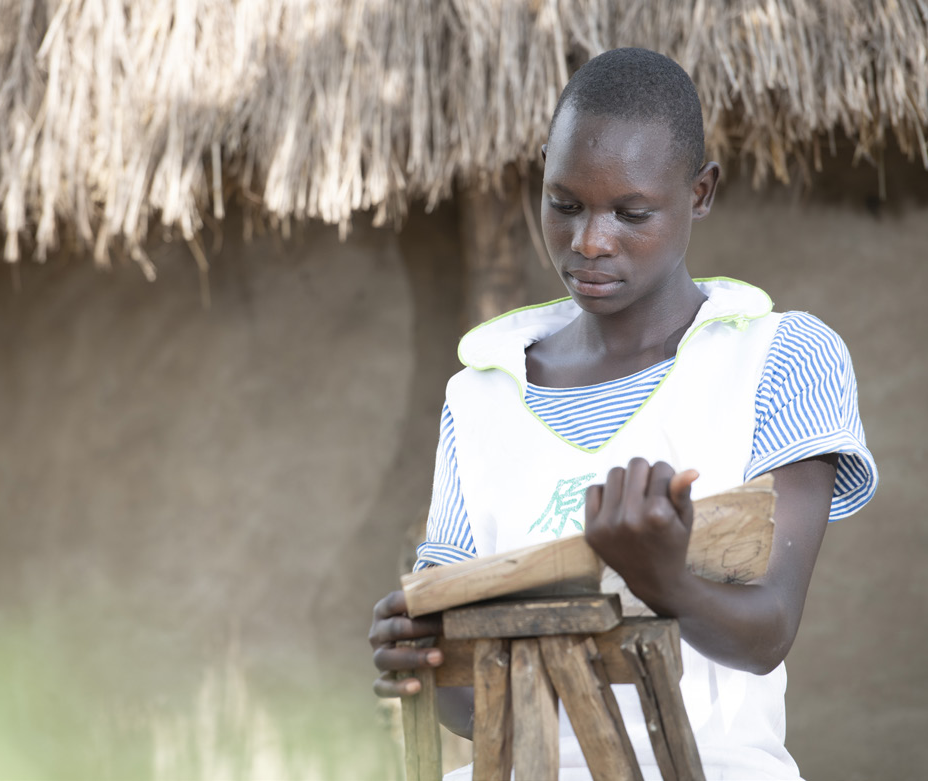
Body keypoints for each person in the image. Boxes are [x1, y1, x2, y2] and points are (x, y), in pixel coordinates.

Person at [368, 47, 877, 780]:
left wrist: (664, 581)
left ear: (699, 193)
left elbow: (768, 629)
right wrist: (425, 654)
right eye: (563, 203)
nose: (589, 241)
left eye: (630, 212)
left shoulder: (778, 358)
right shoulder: (481, 393)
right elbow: (474, 708)